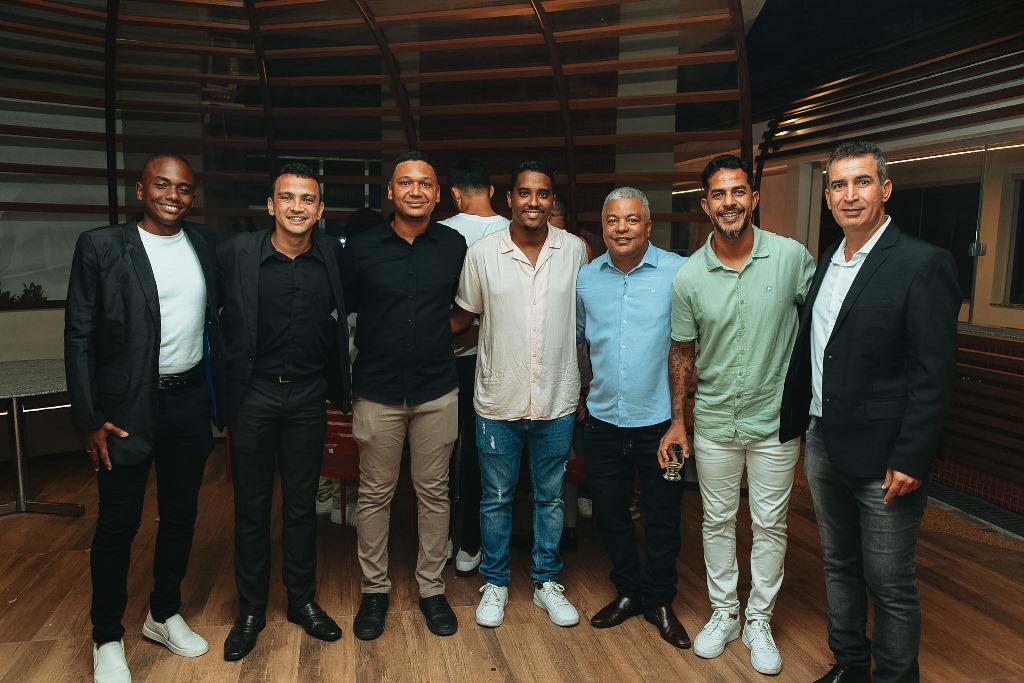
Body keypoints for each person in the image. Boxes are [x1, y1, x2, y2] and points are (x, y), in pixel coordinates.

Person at [779, 141, 960, 683]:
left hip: (887, 458)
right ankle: (850, 665)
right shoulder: (829, 261)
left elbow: (933, 374)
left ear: (885, 189)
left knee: (890, 582)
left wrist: (912, 456)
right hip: (823, 442)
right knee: (840, 566)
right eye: (838, 184)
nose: (849, 195)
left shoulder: (923, 263)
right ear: (827, 197)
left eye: (862, 182)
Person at [65, 153, 219, 683]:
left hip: (189, 401)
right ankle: (107, 637)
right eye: (162, 185)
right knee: (117, 524)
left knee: (180, 516)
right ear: (140, 190)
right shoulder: (101, 246)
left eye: (184, 188)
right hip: (125, 410)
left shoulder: (203, 244)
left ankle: (163, 613)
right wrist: (88, 418)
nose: (174, 195)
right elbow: (78, 335)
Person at [659, 154, 815, 675]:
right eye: (719, 194)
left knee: (770, 524)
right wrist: (678, 421)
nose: (730, 202)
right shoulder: (688, 277)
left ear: (754, 198)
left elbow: (823, 323)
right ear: (706, 205)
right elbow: (682, 353)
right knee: (717, 520)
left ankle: (759, 620)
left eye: (738, 191)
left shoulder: (791, 258)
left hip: (775, 422)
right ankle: (725, 612)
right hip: (715, 421)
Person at [219, 162, 350, 661]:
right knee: (251, 509)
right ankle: (251, 610)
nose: (297, 207)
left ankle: (302, 602)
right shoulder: (237, 253)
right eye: (288, 198)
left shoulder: (332, 256)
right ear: (271, 205)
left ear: (320, 209)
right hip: (253, 396)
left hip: (308, 397)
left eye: (307, 199)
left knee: (301, 507)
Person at [451, 160, 588, 629]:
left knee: (550, 498)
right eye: (525, 193)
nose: (534, 201)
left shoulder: (575, 250)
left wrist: (587, 386)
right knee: (495, 497)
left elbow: (583, 322)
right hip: (498, 398)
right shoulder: (482, 253)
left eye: (543, 194)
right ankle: (495, 582)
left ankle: (547, 581)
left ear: (552, 201)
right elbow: (465, 317)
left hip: (556, 397)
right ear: (509, 198)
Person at [341, 151, 467, 640]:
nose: (416, 191)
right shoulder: (362, 247)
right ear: (391, 191)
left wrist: (434, 334)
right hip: (377, 390)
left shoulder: (453, 245)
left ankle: (431, 589)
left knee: (434, 493)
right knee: (375, 494)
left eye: (425, 183)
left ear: (437, 194)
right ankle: (375, 590)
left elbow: (467, 308)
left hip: (436, 389)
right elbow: (343, 306)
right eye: (406, 183)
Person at [576, 187, 691, 648]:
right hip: (602, 422)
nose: (621, 229)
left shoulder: (678, 272)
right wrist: (581, 392)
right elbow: (579, 340)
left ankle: (660, 599)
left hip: (661, 425)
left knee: (663, 518)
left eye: (630, 220)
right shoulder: (587, 278)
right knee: (609, 514)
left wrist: (682, 415)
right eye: (612, 220)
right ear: (602, 227)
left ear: (648, 226)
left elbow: (690, 344)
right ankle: (628, 591)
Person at [439, 159, 509, 578]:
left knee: (441, 453)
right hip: (495, 362)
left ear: (453, 193)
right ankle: (471, 542)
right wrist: (480, 329)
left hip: (449, 359)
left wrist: (458, 329)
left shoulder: (441, 233)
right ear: (493, 190)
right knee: (483, 456)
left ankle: (442, 538)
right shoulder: (511, 232)